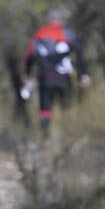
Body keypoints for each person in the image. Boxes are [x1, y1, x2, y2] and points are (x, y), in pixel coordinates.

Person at [23, 8, 91, 138]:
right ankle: (68, 136)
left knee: (45, 109)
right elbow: (79, 54)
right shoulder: (68, 33)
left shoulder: (40, 34)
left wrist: (27, 74)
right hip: (63, 77)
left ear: (49, 20)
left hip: (44, 77)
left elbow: (29, 56)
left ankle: (45, 139)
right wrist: (83, 74)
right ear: (61, 20)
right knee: (66, 106)